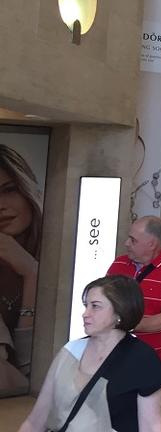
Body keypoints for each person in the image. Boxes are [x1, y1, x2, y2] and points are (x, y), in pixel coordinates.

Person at [17, 275, 161, 432]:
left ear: (120, 312)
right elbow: (36, 420)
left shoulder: (142, 359)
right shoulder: (71, 351)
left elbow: (151, 426)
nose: (85, 313)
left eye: (95, 306)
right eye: (86, 305)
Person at [108, 216, 161, 395]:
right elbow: (104, 303)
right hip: (116, 357)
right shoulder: (119, 263)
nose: (126, 243)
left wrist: (122, 324)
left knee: (148, 418)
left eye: (133, 240)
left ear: (151, 244)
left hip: (156, 360)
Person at [0, 145, 43, 392]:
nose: (1, 205)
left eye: (9, 190)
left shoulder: (58, 251)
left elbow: (32, 369)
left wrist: (32, 273)